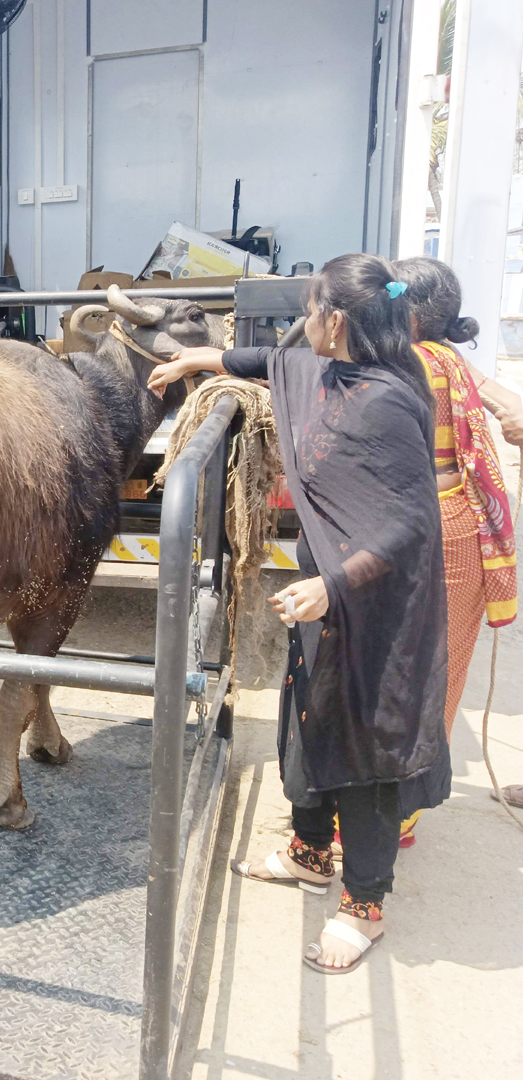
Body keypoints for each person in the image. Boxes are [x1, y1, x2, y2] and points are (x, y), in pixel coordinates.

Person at [146, 254, 448, 974]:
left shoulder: (384, 401)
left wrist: (333, 584)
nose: (297, 327)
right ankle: (311, 852)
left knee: (364, 744)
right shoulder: (332, 372)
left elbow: (413, 523)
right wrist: (207, 356)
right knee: (308, 712)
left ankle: (365, 904)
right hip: (330, 590)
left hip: (374, 605)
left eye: (306, 313)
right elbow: (272, 363)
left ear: (334, 322)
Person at [392, 257, 518, 830]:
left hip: (423, 530)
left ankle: (384, 816)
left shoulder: (405, 361)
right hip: (463, 528)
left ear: (409, 311)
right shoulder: (452, 359)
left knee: (399, 670)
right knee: (443, 670)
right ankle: (407, 810)